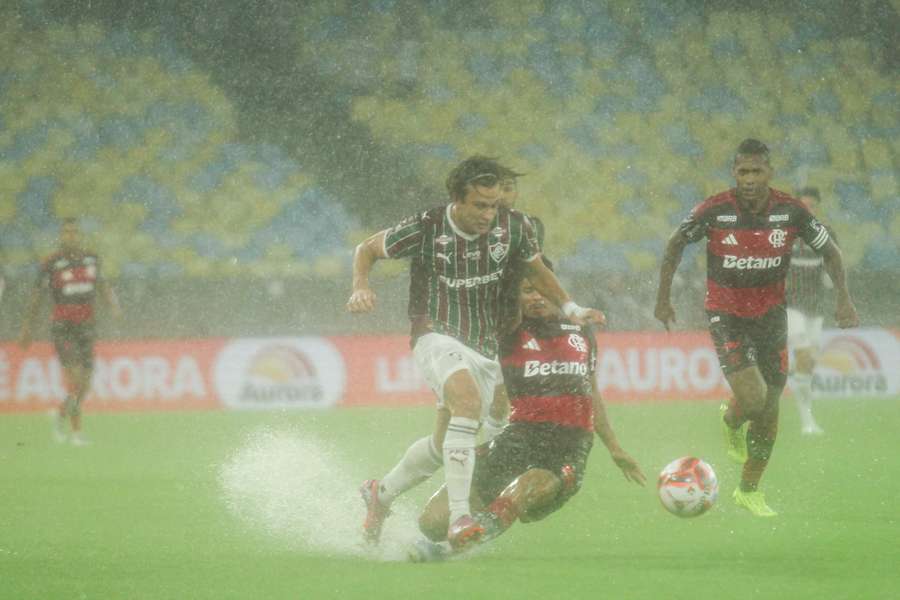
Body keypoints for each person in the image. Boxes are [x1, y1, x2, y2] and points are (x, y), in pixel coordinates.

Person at [347, 155, 604, 550]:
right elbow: (367, 248)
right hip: (436, 333)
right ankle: (461, 516)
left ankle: (380, 494)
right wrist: (361, 286)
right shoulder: (428, 226)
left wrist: (571, 309)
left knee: (443, 443)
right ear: (457, 200)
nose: (489, 214)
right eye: (480, 205)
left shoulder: (515, 228)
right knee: (466, 406)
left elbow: (537, 272)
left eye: (495, 204)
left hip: (486, 345)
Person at [654, 139, 859, 517]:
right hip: (726, 315)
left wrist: (843, 299)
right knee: (753, 401)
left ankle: (749, 489)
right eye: (742, 172)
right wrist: (663, 298)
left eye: (756, 171)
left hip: (771, 316)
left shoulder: (791, 212)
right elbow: (674, 245)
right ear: (734, 173)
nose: (749, 179)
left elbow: (830, 250)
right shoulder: (714, 210)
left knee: (769, 409)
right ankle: (731, 419)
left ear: (769, 173)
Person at [410, 271, 645, 561]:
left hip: (566, 448)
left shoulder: (580, 332)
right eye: (527, 291)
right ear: (514, 299)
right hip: (518, 439)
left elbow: (591, 392)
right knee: (432, 522)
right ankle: (464, 528)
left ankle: (447, 551)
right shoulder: (507, 332)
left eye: (541, 290)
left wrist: (615, 448)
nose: (536, 297)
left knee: (521, 490)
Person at [18, 218, 121, 445]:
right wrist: (27, 328)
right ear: (61, 236)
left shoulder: (92, 260)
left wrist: (114, 305)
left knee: (85, 385)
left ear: (79, 236)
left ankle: (59, 415)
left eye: (74, 232)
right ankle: (76, 433)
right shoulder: (51, 263)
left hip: (87, 326)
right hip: (63, 327)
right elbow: (37, 298)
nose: (70, 236)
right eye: (66, 232)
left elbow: (103, 285)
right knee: (74, 379)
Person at [786, 187, 833, 435]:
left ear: (817, 208)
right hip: (791, 305)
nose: (807, 210)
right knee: (804, 356)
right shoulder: (785, 234)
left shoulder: (827, 234)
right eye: (802, 205)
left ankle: (790, 372)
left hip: (816, 307)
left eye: (811, 206)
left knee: (809, 363)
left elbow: (833, 264)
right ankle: (807, 422)